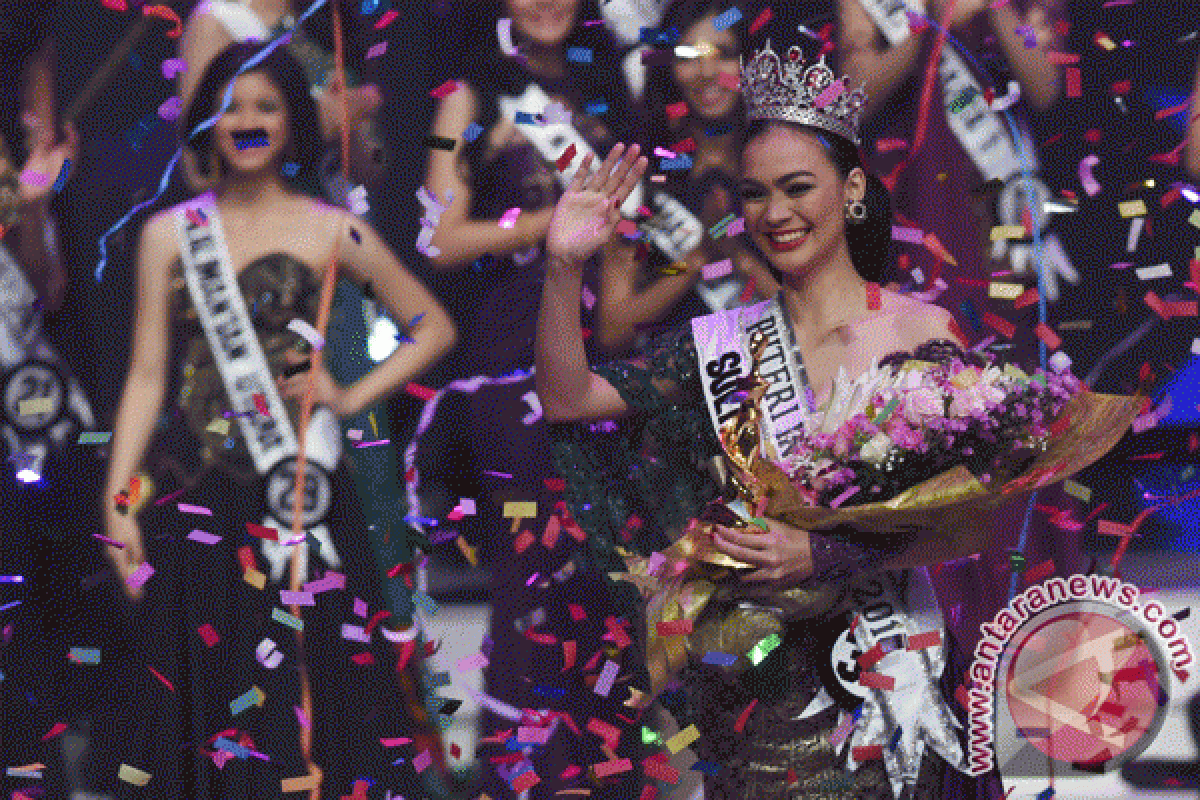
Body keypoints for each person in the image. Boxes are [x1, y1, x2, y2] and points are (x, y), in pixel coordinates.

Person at [537, 43, 1009, 799]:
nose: (775, 214)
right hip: (763, 698)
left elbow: (972, 523)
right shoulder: (723, 345)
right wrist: (563, 267)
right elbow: (571, 399)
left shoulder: (920, 333)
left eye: (798, 188)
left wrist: (824, 554)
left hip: (890, 681)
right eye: (755, 194)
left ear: (852, 188)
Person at [94, 42, 456, 799]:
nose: (248, 121)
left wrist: (348, 397)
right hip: (202, 500)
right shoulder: (169, 233)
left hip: (303, 495)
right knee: (212, 698)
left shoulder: (330, 227)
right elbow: (147, 376)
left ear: (294, 123)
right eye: (231, 108)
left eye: (267, 106)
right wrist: (117, 498)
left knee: (321, 691)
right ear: (207, 122)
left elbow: (432, 327)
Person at [417, 2, 655, 796]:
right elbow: (439, 236)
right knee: (533, 571)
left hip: (606, 364)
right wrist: (553, 226)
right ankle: (526, 777)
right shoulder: (469, 98)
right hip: (510, 368)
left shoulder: (612, 90)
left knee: (605, 573)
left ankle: (608, 771)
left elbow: (635, 240)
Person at [595, 0, 778, 355]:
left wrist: (738, 259)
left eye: (724, 53)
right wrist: (698, 259)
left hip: (773, 372)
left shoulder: (781, 165)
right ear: (669, 68)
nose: (707, 71)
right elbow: (613, 330)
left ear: (750, 62)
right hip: (674, 376)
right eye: (688, 56)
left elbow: (812, 314)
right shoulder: (644, 174)